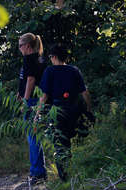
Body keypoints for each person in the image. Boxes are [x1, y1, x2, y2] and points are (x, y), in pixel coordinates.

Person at [38, 44, 92, 181]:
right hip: (74, 110)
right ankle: (76, 172)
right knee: (72, 141)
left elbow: (44, 96)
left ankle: (65, 177)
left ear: (54, 57)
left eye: (50, 57)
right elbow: (85, 93)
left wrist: (37, 114)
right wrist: (89, 109)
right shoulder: (74, 70)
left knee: (61, 145)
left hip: (57, 111)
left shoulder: (50, 71)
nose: (50, 59)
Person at [17, 33, 47, 184]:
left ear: (27, 46)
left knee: (33, 137)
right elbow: (25, 79)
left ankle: (37, 173)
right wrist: (19, 93)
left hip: (33, 101)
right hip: (37, 99)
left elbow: (31, 80)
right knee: (34, 136)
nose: (19, 49)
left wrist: (25, 100)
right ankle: (38, 171)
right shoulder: (40, 58)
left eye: (20, 46)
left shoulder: (30, 59)